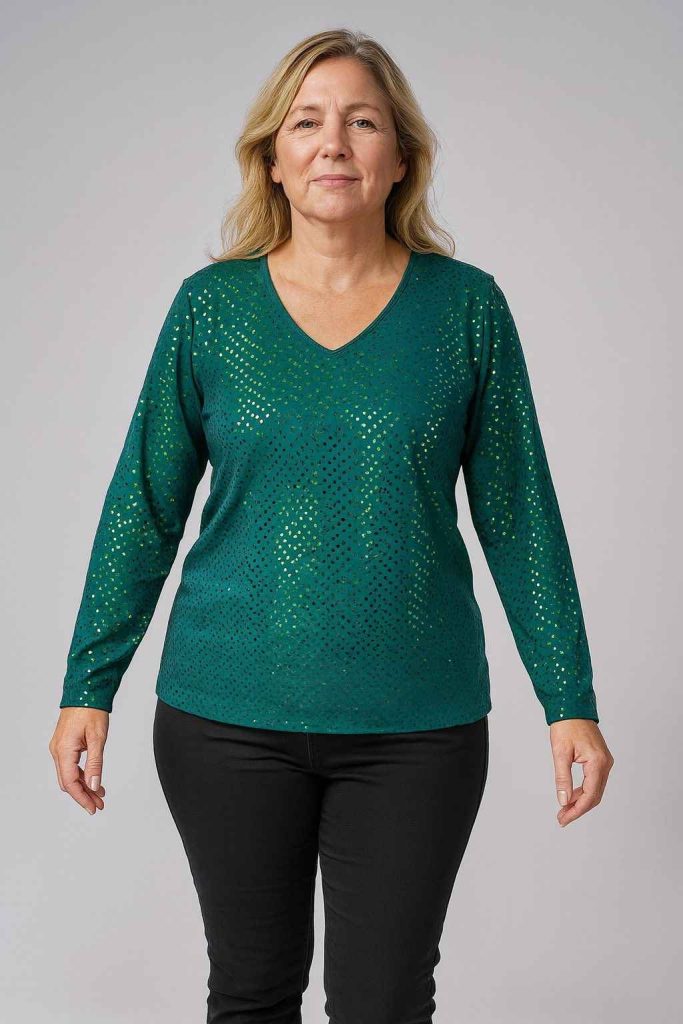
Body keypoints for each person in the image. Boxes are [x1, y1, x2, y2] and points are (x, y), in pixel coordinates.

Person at [49, 27, 614, 1024]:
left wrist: (567, 698)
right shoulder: (211, 310)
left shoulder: (465, 310)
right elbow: (145, 502)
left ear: (399, 156)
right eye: (306, 123)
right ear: (273, 156)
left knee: (383, 1004)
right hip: (224, 717)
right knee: (250, 993)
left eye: (362, 121)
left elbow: (518, 513)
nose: (334, 144)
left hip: (416, 726)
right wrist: (88, 684)